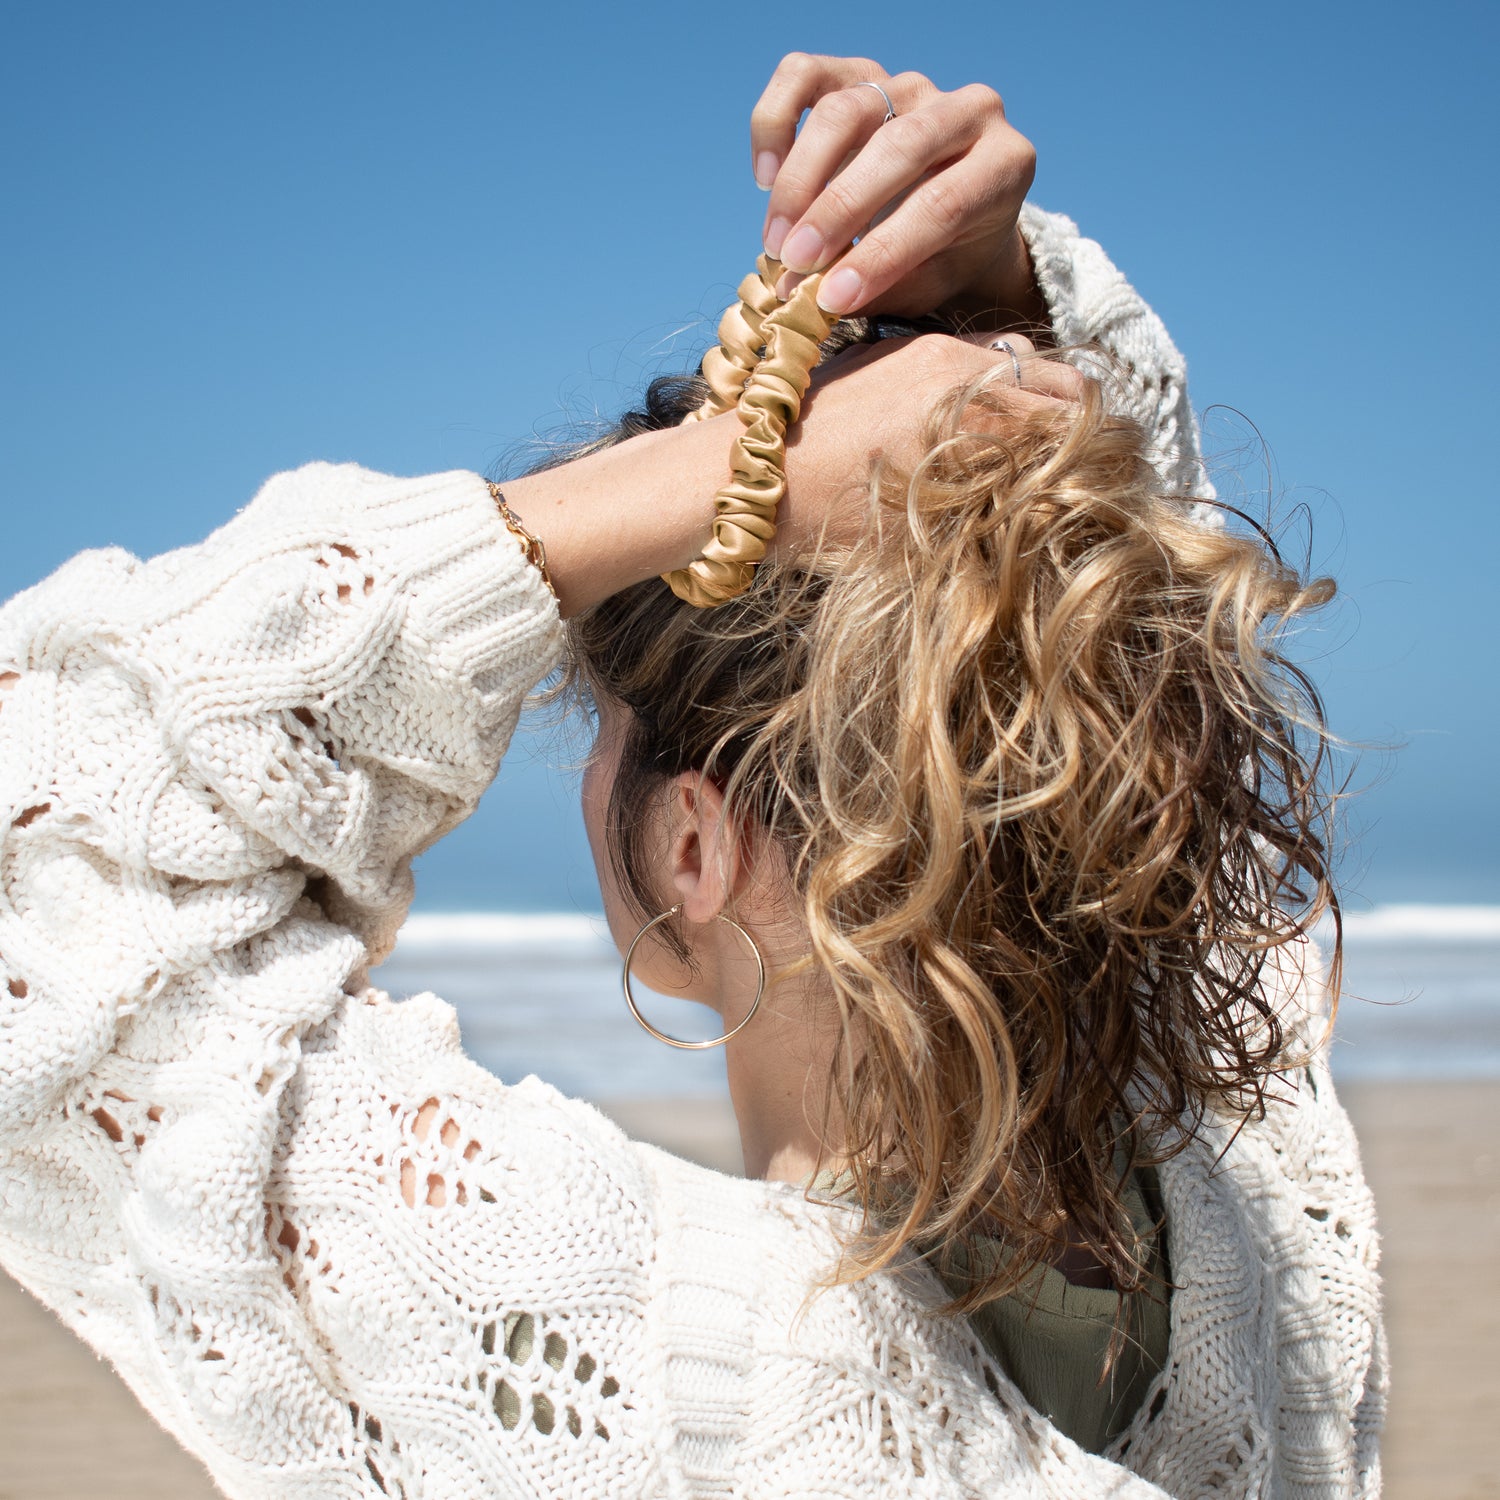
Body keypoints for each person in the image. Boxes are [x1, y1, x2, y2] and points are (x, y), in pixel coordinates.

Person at [0, 54, 1382, 1500]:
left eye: (601, 733)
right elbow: (1131, 626)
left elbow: (40, 835)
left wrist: (716, 479)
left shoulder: (680, 1384)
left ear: (692, 850)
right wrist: (1010, 331)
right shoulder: (1253, 1188)